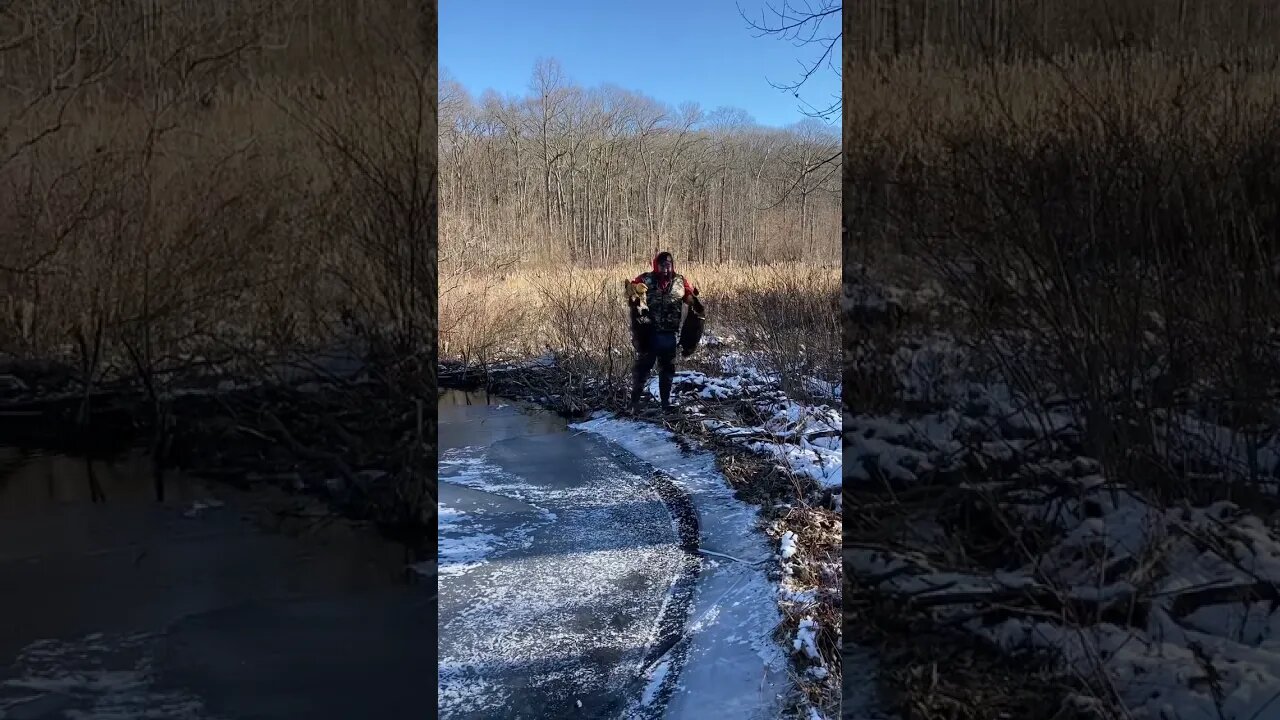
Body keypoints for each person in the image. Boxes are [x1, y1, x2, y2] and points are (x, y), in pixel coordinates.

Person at [627, 251, 701, 413]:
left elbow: (690, 297)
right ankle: (634, 402)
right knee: (642, 369)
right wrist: (634, 290)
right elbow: (629, 292)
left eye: (668, 266)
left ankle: (665, 404)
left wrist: (692, 299)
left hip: (670, 334)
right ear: (656, 266)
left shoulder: (680, 281)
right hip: (649, 333)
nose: (666, 269)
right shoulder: (646, 279)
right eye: (662, 266)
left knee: (667, 370)